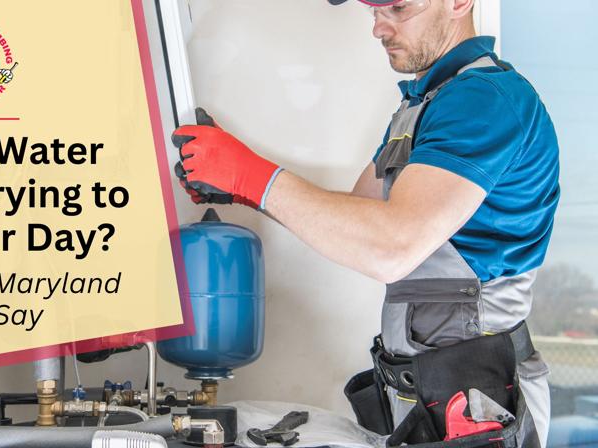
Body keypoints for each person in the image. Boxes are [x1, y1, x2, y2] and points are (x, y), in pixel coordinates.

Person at [172, 0, 560, 446]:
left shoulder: (484, 100)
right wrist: (241, 189)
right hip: (434, 394)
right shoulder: (427, 102)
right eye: (373, 9)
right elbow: (358, 218)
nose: (378, 27)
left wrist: (254, 177)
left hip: (478, 401)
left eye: (397, 6)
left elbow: (389, 246)